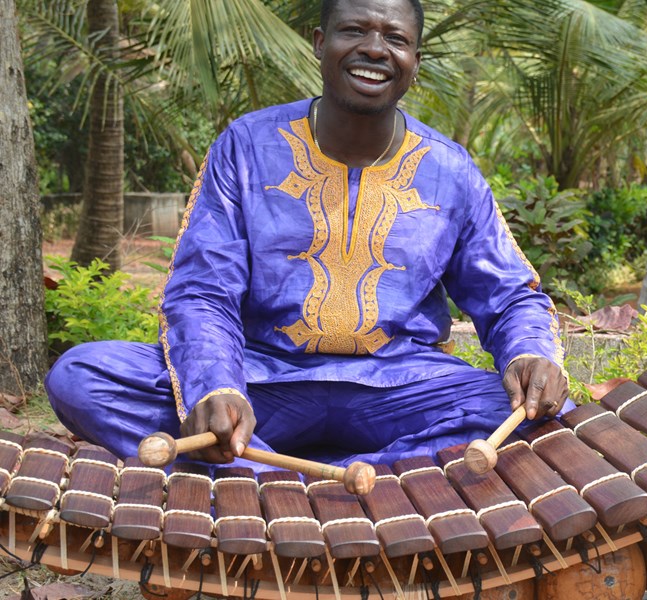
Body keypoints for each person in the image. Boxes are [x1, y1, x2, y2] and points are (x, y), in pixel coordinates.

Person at [45, 0, 569, 469]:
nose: (374, 49)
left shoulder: (452, 171)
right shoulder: (245, 147)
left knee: (548, 408)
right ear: (320, 43)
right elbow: (203, 290)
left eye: (396, 38)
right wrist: (217, 387)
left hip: (401, 388)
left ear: (415, 61)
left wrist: (530, 355)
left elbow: (507, 296)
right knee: (82, 375)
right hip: (262, 381)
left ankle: (276, 474)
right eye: (354, 30)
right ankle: (366, 475)